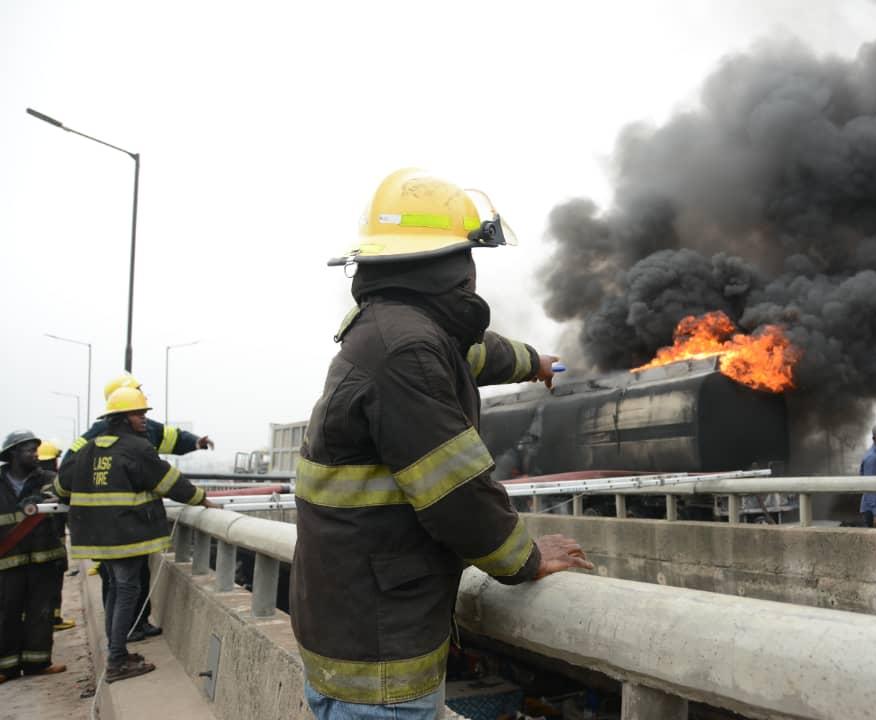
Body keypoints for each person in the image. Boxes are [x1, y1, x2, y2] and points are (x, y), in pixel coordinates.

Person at [292, 168, 593, 719]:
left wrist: (536, 363)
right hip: (379, 666)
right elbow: (456, 493)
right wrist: (525, 559)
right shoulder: (406, 350)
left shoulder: (397, 329)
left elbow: (475, 353)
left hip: (357, 629)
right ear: (449, 264)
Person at [57, 387, 217, 683]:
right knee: (127, 589)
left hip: (96, 536)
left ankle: (116, 652)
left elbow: (62, 487)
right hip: (125, 534)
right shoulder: (136, 449)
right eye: (138, 414)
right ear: (121, 418)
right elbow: (169, 481)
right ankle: (117, 660)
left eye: (144, 413)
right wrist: (201, 499)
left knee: (117, 590)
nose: (143, 419)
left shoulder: (89, 449)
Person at [0, 430, 67, 684]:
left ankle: (37, 663)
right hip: (7, 560)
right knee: (6, 612)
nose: (35, 455)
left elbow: (65, 498)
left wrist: (47, 499)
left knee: (41, 612)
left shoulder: (49, 479)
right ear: (13, 454)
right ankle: (5, 667)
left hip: (44, 558)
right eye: (29, 450)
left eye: (36, 450)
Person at [35, 440, 76, 632]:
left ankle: (43, 619)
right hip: (54, 543)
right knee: (53, 582)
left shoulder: (25, 480)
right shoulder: (54, 480)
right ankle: (54, 618)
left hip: (27, 545)